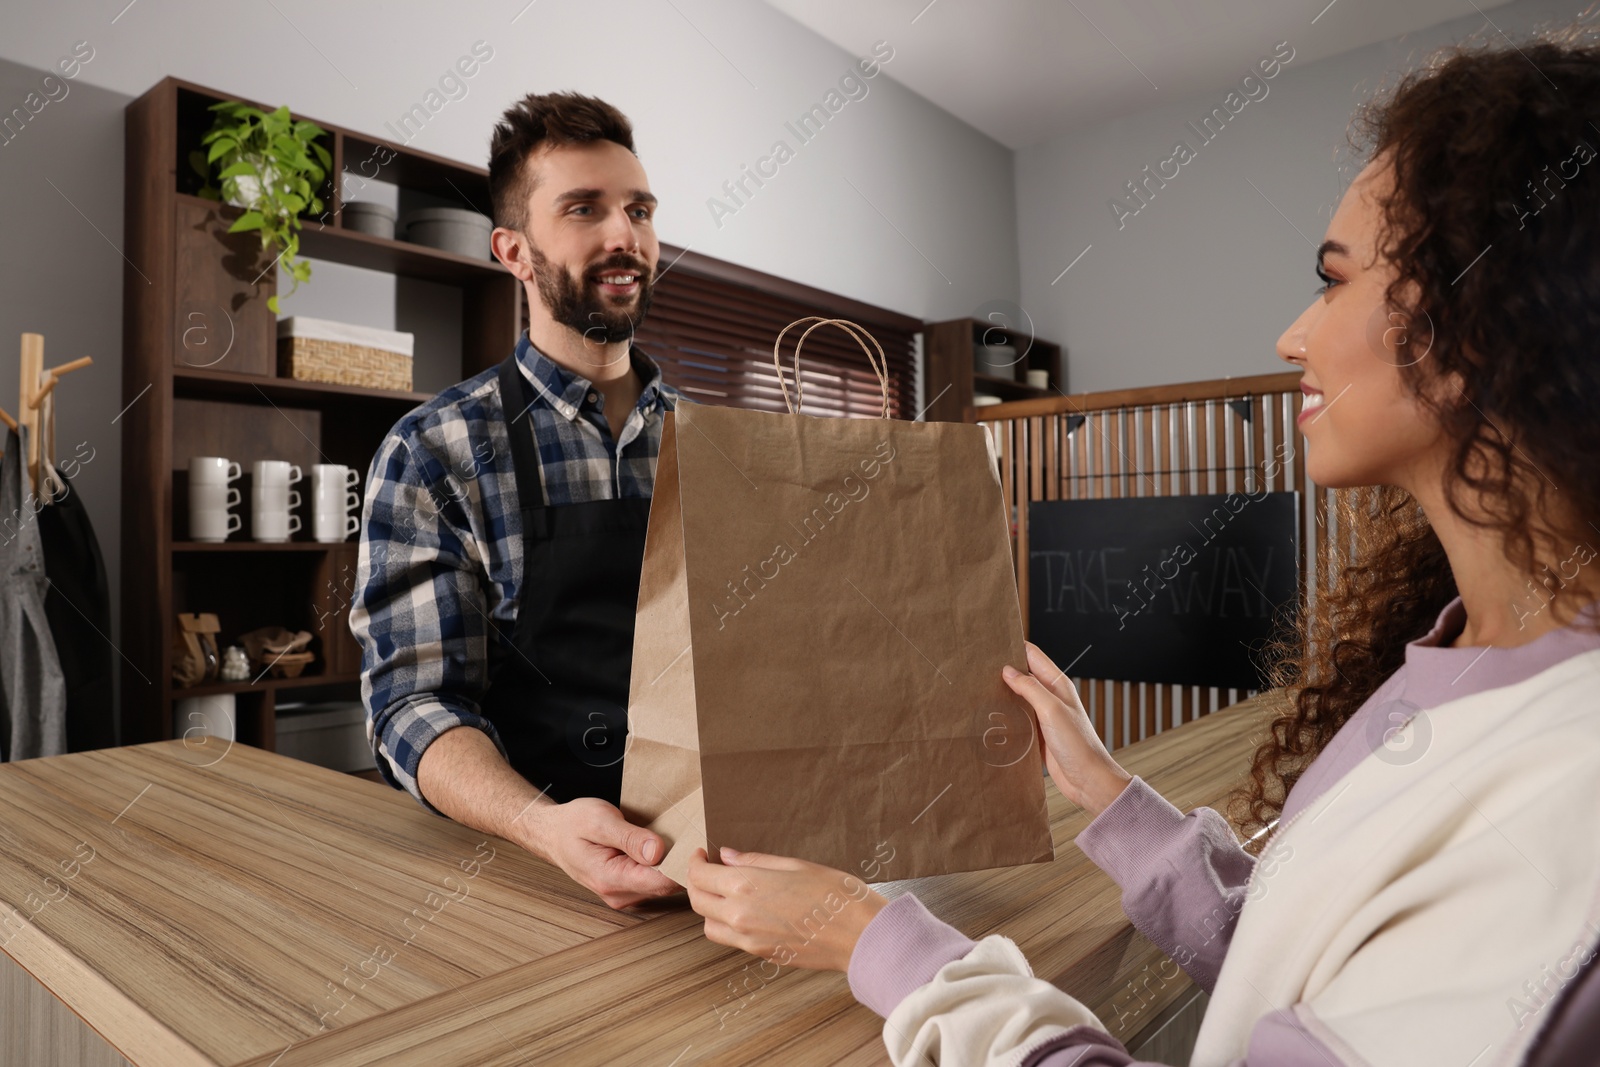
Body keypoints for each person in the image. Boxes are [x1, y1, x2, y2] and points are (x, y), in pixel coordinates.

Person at [685, 28, 1600, 1066]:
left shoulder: (1566, 815)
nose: (1291, 336)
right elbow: (1310, 962)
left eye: (1334, 280)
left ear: (1488, 318)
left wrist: (876, 937)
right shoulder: (1467, 649)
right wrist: (1110, 791)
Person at [351, 92, 684, 910]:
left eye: (639, 210)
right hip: (519, 872)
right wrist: (543, 826)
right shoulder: (435, 452)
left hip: (706, 860)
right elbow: (412, 704)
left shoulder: (713, 447)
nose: (624, 236)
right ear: (514, 250)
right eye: (584, 209)